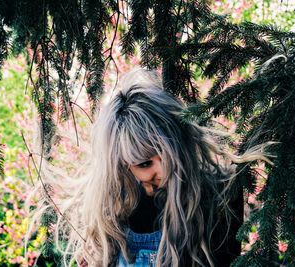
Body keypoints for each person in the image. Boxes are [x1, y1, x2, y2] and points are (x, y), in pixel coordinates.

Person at [31, 69, 269, 266]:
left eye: (169, 155)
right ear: (123, 166)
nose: (164, 171)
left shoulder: (220, 197)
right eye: (144, 164)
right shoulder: (113, 209)